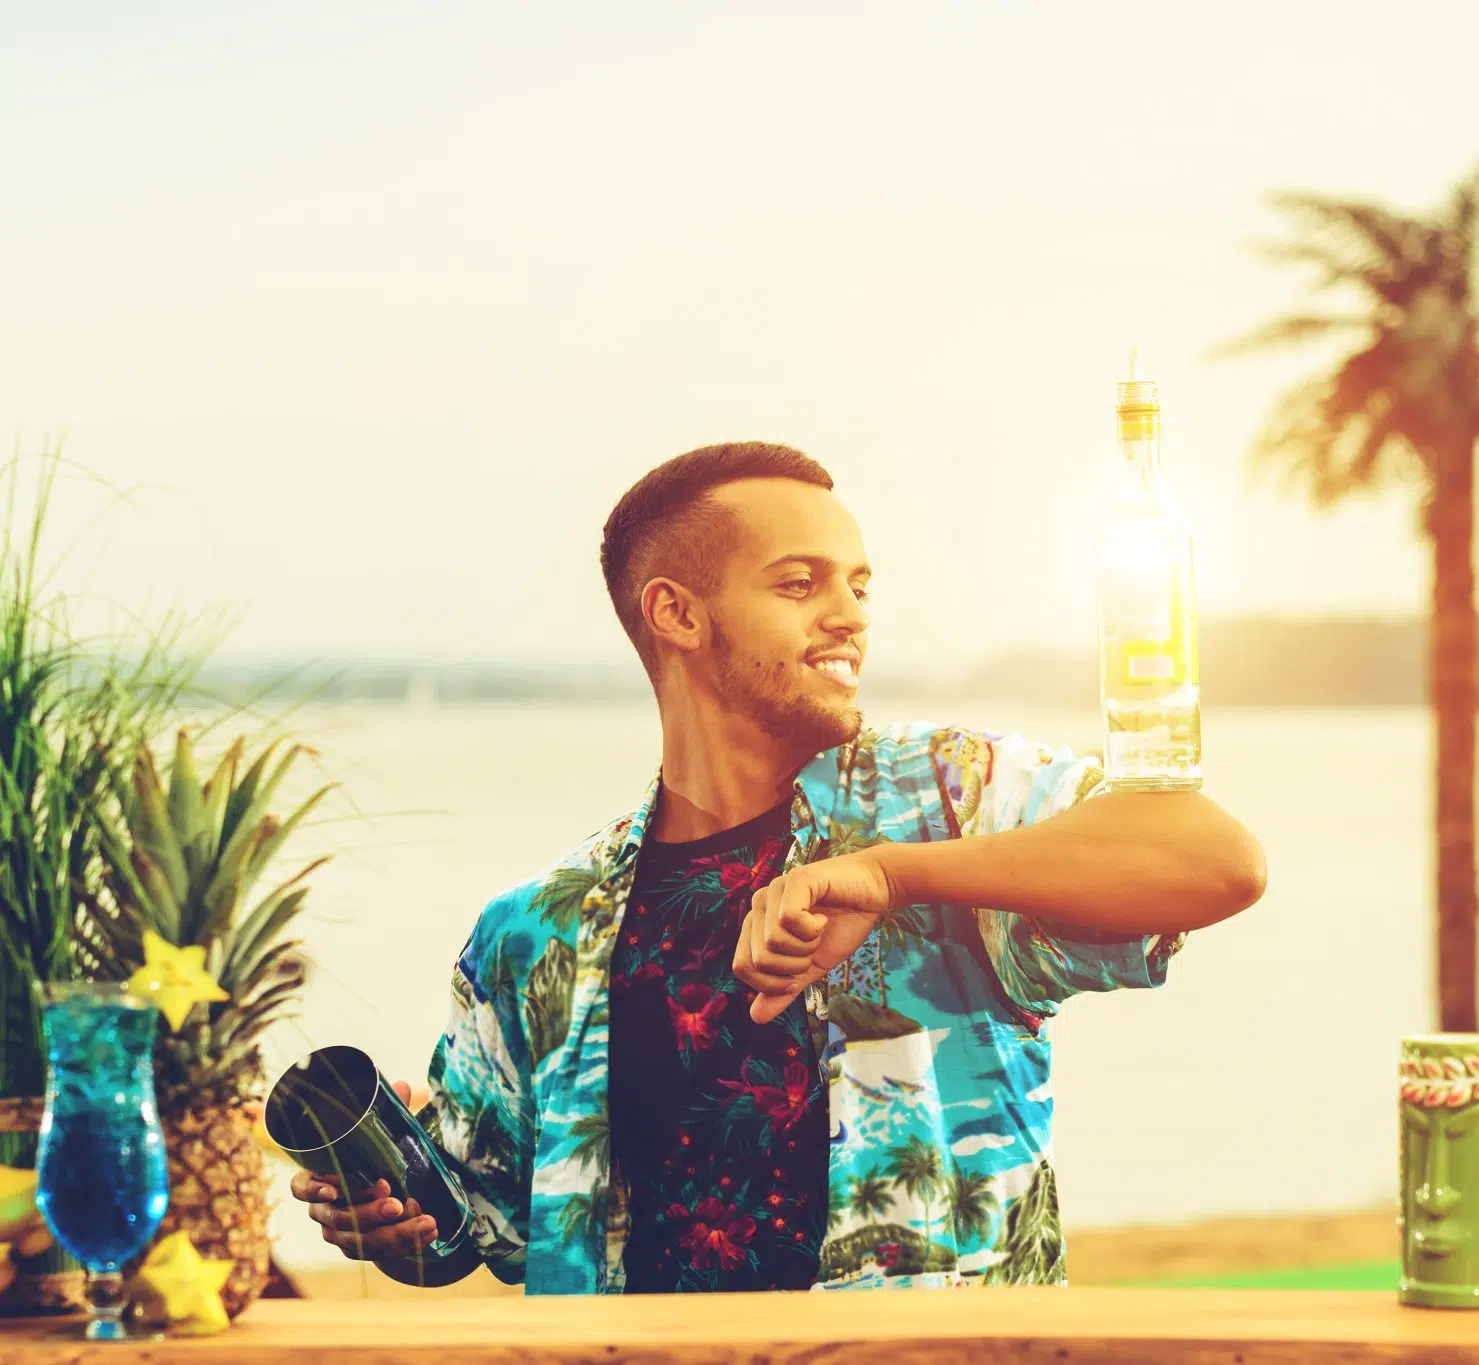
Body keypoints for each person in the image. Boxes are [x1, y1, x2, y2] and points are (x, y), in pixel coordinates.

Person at [292, 441, 1267, 1293]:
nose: (848, 615)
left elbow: (1215, 859)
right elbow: (479, 1230)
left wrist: (890, 877)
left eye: (859, 584)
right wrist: (387, 1220)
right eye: (799, 584)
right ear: (675, 613)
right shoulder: (532, 928)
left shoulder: (948, 798)